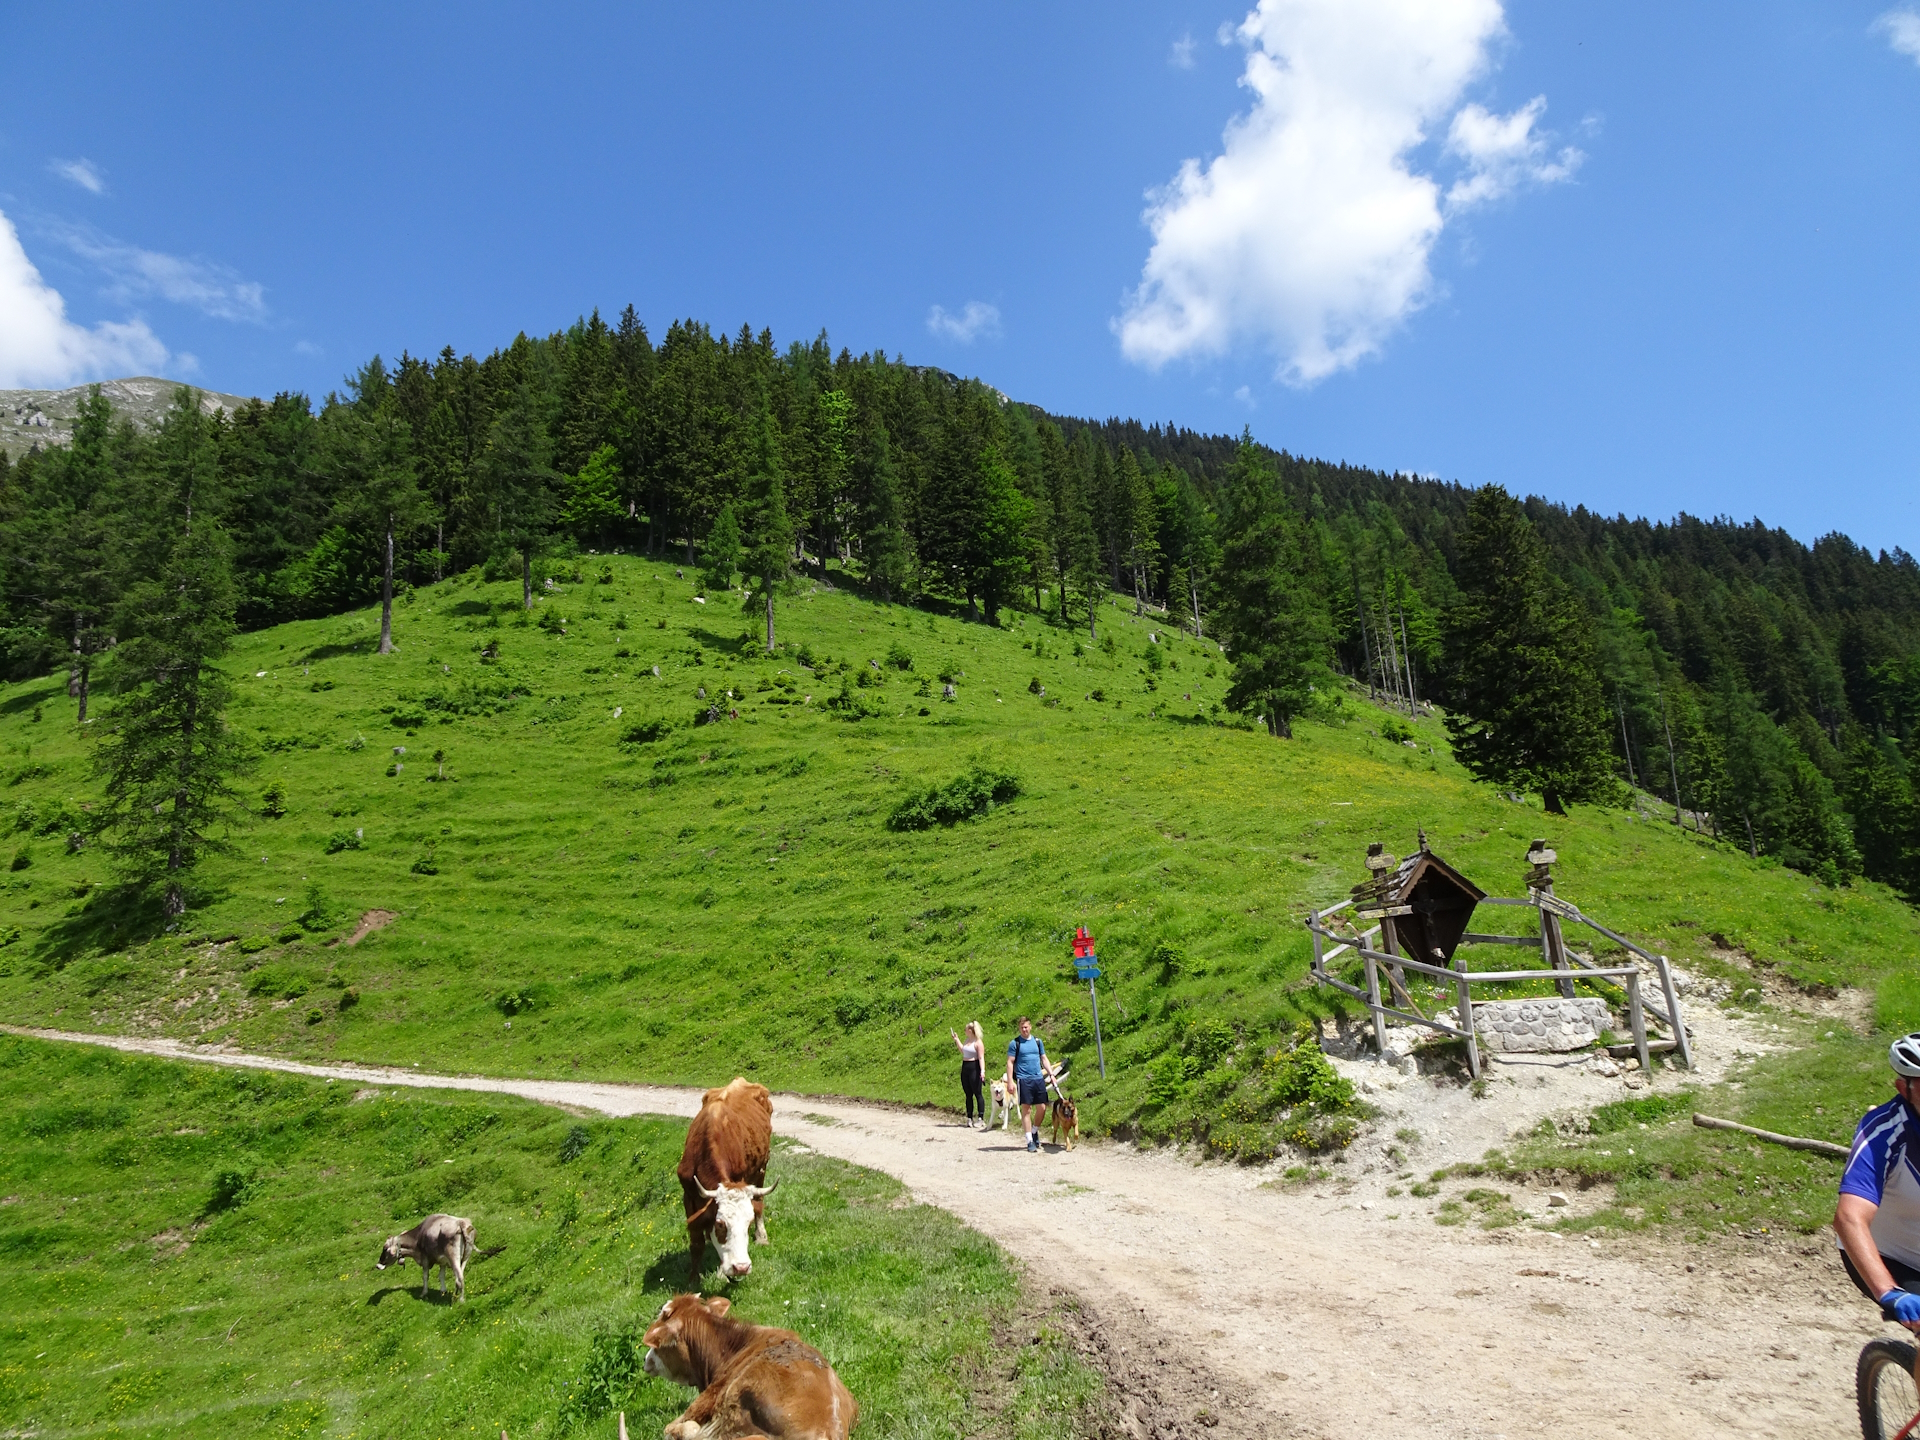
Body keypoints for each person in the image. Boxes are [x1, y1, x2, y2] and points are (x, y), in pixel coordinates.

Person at [1834, 1032, 1920, 1335]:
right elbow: (1849, 1218)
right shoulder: (1883, 1134)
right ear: (1903, 1088)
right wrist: (1888, 1292)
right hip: (1891, 1257)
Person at [1005, 1016, 1051, 1153]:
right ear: (1019, 1029)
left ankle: (1034, 1130)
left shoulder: (1037, 1042)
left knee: (1042, 1107)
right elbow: (1010, 1062)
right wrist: (1010, 1081)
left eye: (1026, 1027)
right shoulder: (1015, 1043)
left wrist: (1051, 1074)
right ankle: (1029, 1140)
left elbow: (1044, 1058)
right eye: (1022, 1028)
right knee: (1027, 1109)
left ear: (1030, 1027)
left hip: (1038, 1078)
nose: (1024, 1030)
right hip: (1023, 1079)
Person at [950, 1021, 986, 1128]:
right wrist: (957, 1040)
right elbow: (963, 1050)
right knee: (968, 1094)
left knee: (977, 1093)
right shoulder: (967, 1041)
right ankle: (969, 1117)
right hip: (965, 1066)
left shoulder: (978, 1042)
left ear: (970, 1031)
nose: (964, 1031)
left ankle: (980, 1117)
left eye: (965, 1030)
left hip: (974, 1067)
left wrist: (982, 1071)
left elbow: (981, 1057)